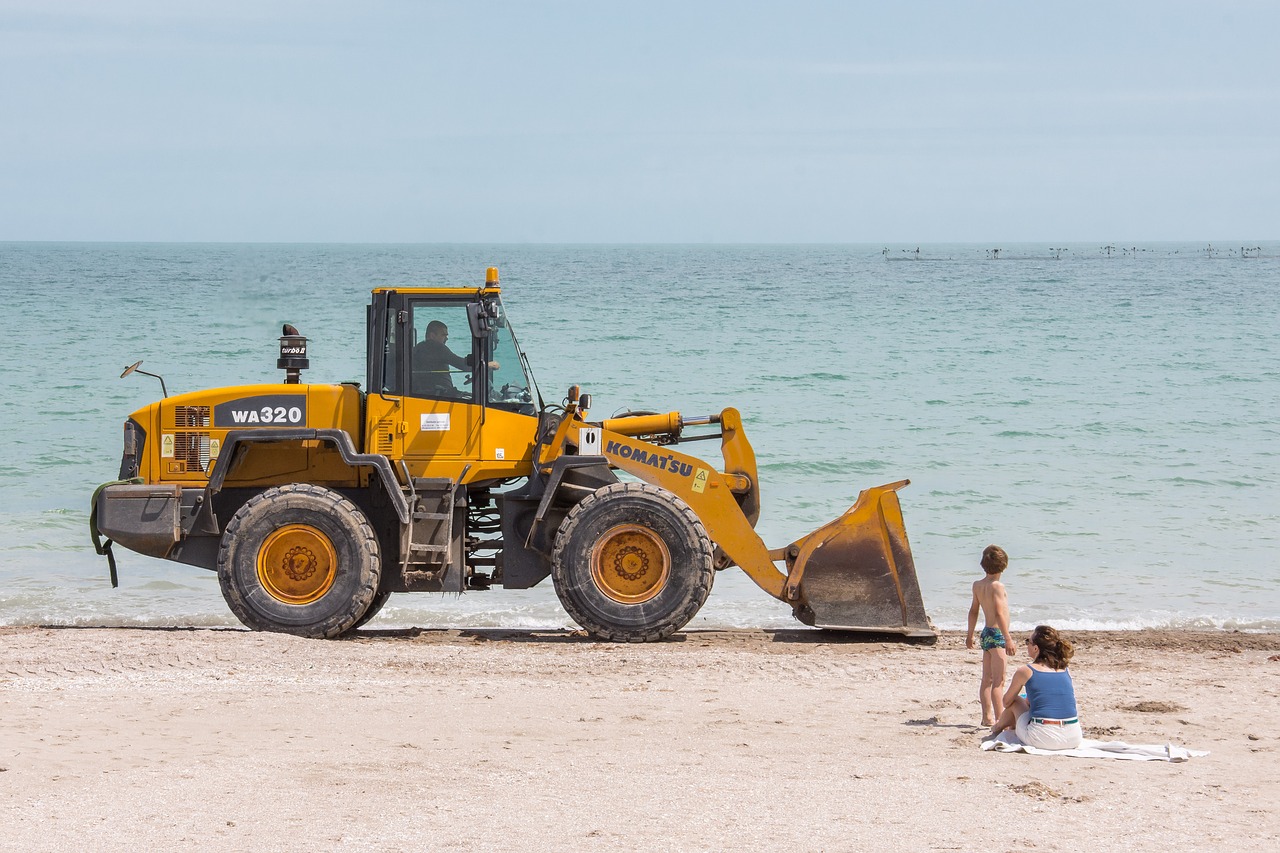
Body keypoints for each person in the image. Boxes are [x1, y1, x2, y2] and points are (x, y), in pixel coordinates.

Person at [989, 625, 1083, 750]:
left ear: (1035, 648)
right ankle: (1006, 726)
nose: (1027, 645)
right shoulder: (1064, 670)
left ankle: (997, 727)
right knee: (1028, 701)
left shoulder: (1026, 671)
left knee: (1015, 700)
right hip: (1073, 736)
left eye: (1028, 642)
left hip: (1044, 738)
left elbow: (1006, 702)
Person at [965, 545, 1016, 726]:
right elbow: (999, 613)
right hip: (997, 635)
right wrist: (1007, 638)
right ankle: (1001, 718)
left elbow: (973, 611)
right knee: (999, 681)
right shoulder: (997, 586)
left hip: (986, 633)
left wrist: (970, 635)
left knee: (986, 679)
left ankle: (987, 717)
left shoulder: (978, 585)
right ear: (1004, 565)